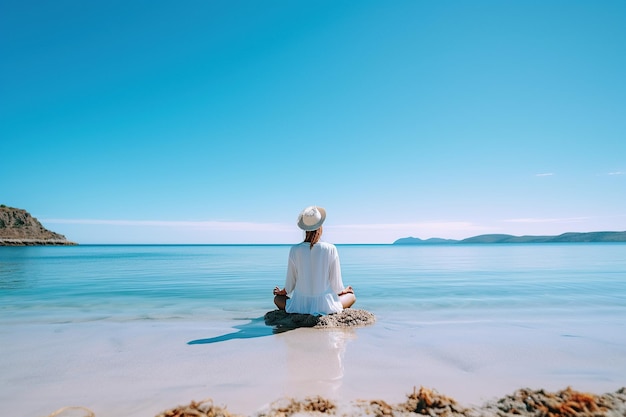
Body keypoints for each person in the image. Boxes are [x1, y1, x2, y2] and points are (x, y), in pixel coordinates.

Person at [273, 206, 356, 315]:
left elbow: (290, 285)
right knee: (351, 297)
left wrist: (282, 292)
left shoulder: (295, 250)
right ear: (320, 227)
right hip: (325, 306)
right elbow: (336, 286)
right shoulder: (330, 248)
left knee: (277, 299)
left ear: (305, 229)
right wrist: (343, 291)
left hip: (300, 306)